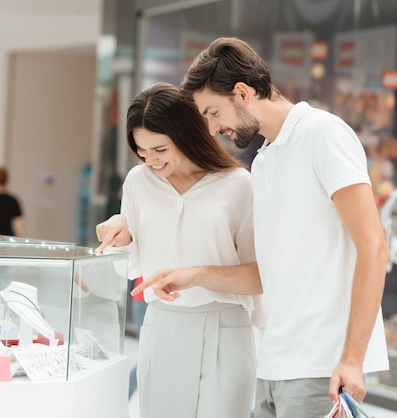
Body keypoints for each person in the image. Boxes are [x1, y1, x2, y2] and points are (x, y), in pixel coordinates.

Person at [132, 37, 390, 417]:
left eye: (214, 112)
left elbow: (373, 245)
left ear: (242, 93)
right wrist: (198, 274)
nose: (213, 127)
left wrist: (352, 359)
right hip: (272, 366)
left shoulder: (322, 134)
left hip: (320, 366)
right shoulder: (265, 160)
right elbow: (268, 274)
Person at [95, 82, 263, 418]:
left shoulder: (238, 185)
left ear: (187, 135)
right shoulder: (138, 182)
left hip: (226, 328)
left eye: (160, 149)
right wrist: (125, 239)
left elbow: (258, 277)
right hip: (163, 324)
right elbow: (130, 270)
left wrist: (199, 276)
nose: (151, 160)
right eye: (142, 151)